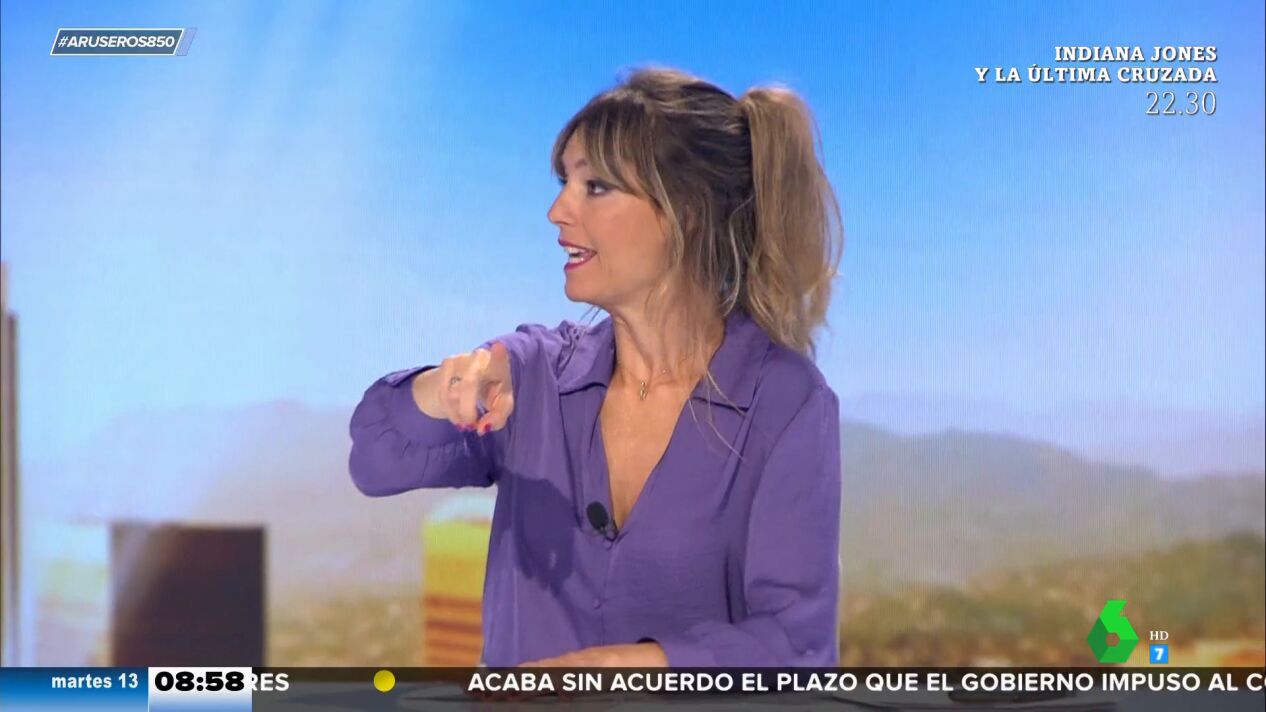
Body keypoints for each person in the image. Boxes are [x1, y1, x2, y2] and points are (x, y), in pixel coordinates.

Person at [348, 66, 845, 668]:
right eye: (565, 183)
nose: (558, 211)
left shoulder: (786, 401)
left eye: (596, 186)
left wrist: (614, 671)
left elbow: (795, 646)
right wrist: (442, 389)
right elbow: (375, 461)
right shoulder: (532, 375)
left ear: (687, 210)